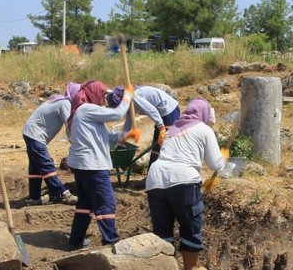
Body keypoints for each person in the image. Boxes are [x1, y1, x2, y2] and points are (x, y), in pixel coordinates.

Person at [145, 97, 227, 270]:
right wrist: (223, 158)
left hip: (155, 179)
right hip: (184, 180)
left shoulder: (173, 128)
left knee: (163, 229)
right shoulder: (204, 129)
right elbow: (215, 164)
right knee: (191, 224)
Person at [66, 80, 136, 249]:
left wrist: (127, 134)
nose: (104, 100)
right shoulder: (86, 109)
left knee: (85, 204)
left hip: (84, 165)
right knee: (106, 202)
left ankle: (75, 241)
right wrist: (128, 95)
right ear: (93, 93)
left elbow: (108, 138)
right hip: (92, 166)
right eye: (103, 95)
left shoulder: (87, 113)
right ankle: (110, 241)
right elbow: (117, 113)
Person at [22, 82, 80, 205]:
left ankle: (35, 197)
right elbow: (70, 126)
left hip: (30, 133)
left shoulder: (60, 101)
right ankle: (62, 194)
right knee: (46, 164)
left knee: (36, 167)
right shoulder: (65, 103)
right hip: (35, 135)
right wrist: (77, 144)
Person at [106, 84, 180, 164]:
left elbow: (151, 110)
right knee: (156, 146)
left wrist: (161, 128)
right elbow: (129, 122)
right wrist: (122, 139)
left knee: (166, 145)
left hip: (169, 110)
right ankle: (153, 170)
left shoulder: (134, 96)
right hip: (161, 115)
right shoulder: (128, 101)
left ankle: (171, 168)